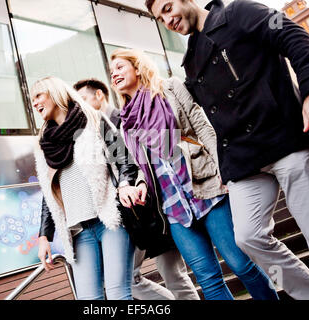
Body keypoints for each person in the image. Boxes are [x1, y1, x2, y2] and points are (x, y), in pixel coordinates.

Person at [147, 0, 309, 300]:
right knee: (248, 238)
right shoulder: (190, 60)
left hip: (285, 140)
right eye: (159, 19)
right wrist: (225, 169)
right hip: (244, 161)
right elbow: (211, 121)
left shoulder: (239, 14)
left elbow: (294, 36)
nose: (167, 20)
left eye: (167, 8)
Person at [110, 48, 279, 300]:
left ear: (137, 66)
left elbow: (202, 127)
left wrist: (224, 167)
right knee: (208, 279)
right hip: (172, 205)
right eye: (111, 72)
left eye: (120, 67)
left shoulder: (169, 88)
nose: (114, 75)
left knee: (241, 263)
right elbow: (144, 163)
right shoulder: (126, 121)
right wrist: (143, 182)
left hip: (206, 187)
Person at [73, 78, 200, 300]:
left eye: (83, 99)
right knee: (129, 277)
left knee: (173, 274)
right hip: (129, 214)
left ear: (99, 95)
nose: (79, 106)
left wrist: (139, 181)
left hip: (159, 205)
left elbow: (158, 152)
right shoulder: (91, 131)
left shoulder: (126, 119)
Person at [33, 76, 137, 300]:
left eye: (38, 95)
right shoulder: (44, 144)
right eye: (32, 99)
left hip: (110, 220)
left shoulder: (94, 119)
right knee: (90, 300)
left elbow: (124, 160)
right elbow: (48, 192)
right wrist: (44, 237)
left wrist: (126, 185)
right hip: (79, 231)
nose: (34, 103)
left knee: (118, 293)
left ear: (55, 93)